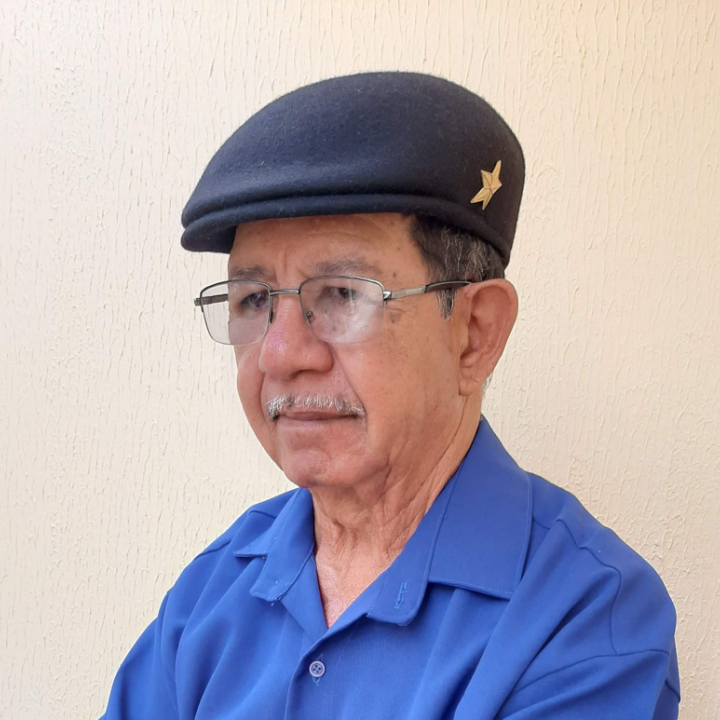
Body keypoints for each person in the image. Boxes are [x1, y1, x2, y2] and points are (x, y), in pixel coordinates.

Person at [99, 72, 680, 719]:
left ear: (474, 334)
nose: (280, 354)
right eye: (254, 300)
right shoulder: (212, 591)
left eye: (342, 294)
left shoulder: (587, 619)